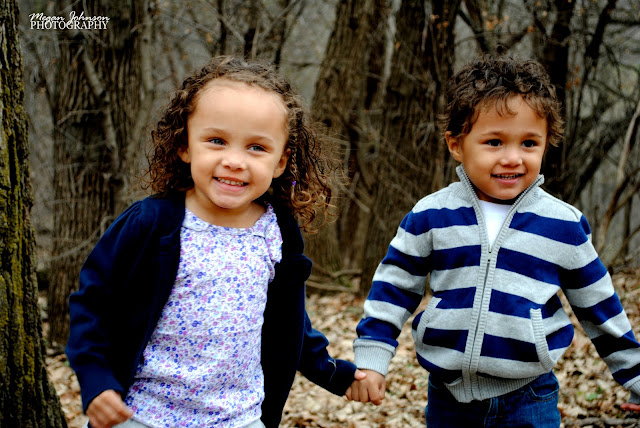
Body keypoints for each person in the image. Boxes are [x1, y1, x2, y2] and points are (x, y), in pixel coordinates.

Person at [66, 56, 366, 428]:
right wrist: (95, 380)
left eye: (257, 147)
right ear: (185, 146)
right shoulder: (152, 223)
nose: (235, 161)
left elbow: (288, 322)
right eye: (217, 141)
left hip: (238, 418)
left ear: (280, 162)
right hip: (141, 414)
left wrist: (332, 372)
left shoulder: (277, 231)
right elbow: (92, 303)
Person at [346, 55, 640, 426]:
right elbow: (394, 288)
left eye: (529, 143)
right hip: (448, 397)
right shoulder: (431, 215)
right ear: (456, 144)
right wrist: (372, 358)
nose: (512, 158)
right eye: (495, 142)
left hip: (529, 397)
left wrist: (635, 376)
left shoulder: (562, 225)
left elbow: (600, 307)